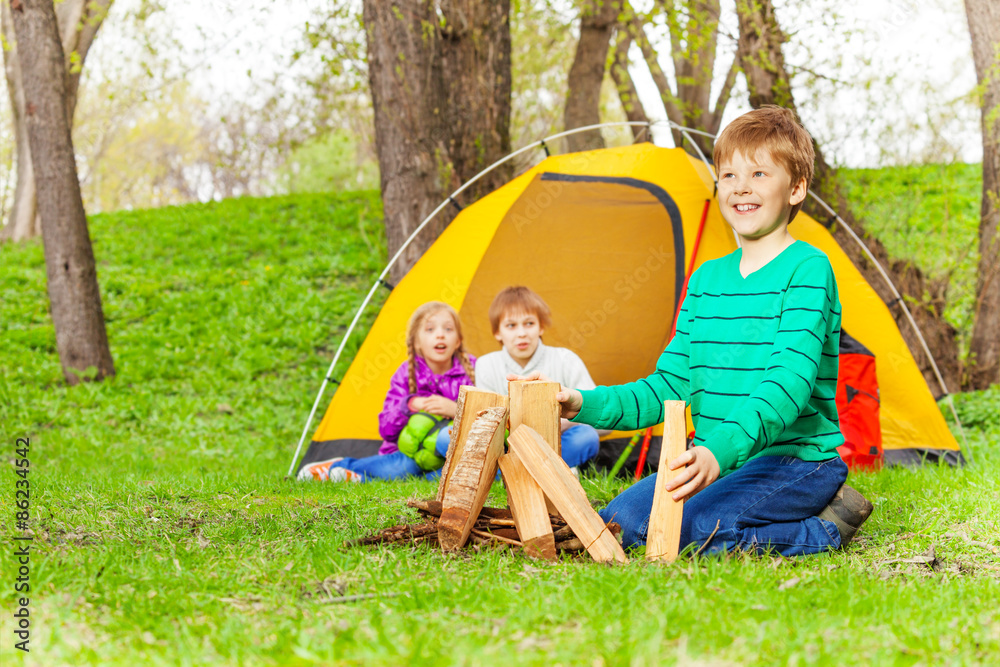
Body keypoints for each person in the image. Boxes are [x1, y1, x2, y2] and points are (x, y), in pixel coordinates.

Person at [517, 107, 873, 556]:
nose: (741, 186)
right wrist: (581, 402)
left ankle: (824, 529)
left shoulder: (808, 269)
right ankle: (741, 509)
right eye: (728, 174)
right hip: (718, 461)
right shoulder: (707, 279)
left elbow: (787, 387)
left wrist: (716, 453)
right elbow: (667, 385)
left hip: (793, 462)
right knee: (619, 523)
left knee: (698, 529)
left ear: (796, 188)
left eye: (759, 173)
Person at [297, 301, 474, 482]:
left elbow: (484, 416)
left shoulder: (473, 370)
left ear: (458, 341)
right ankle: (339, 467)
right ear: (416, 341)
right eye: (430, 330)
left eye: (448, 329)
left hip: (446, 456)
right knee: (402, 468)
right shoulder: (406, 372)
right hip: (407, 455)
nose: (440, 335)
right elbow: (386, 430)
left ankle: (358, 479)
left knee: (446, 475)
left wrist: (455, 409)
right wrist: (410, 405)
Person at [476, 286, 601, 471]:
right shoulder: (486, 364)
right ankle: (520, 471)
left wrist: (561, 423)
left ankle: (516, 473)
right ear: (497, 332)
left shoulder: (565, 359)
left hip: (554, 445)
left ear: (541, 327)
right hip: (505, 450)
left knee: (586, 437)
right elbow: (484, 425)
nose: (521, 333)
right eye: (511, 325)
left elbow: (602, 419)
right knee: (447, 438)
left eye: (529, 323)